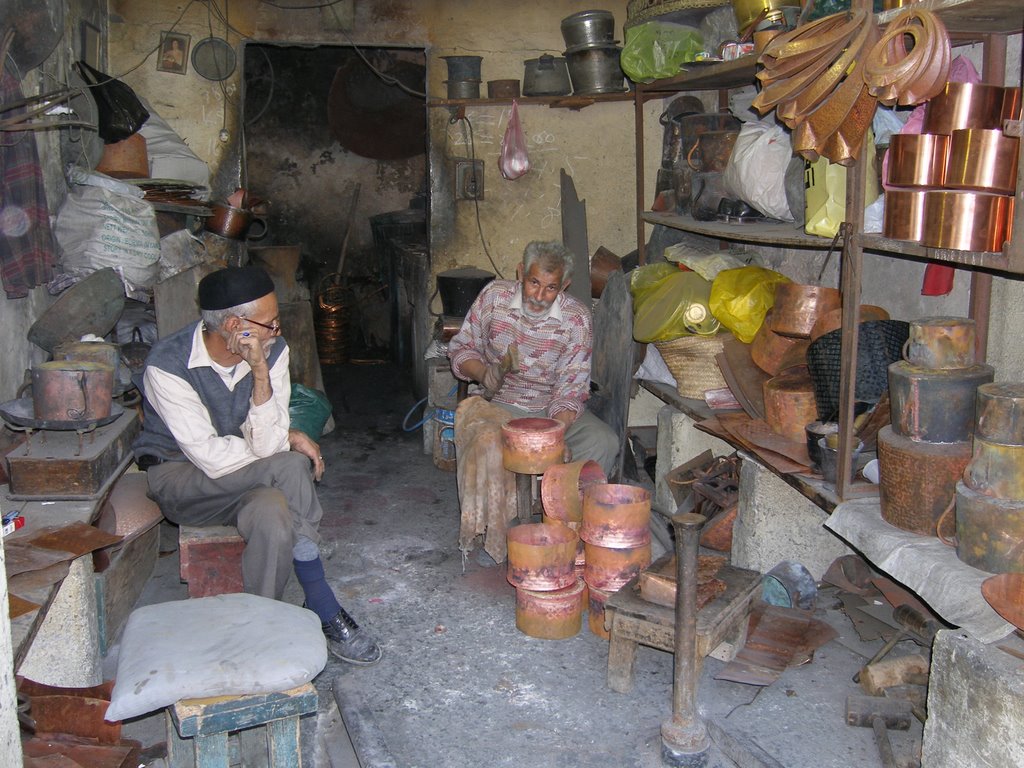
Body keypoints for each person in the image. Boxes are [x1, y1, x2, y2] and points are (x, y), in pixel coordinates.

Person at [133, 266, 381, 665]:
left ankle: (261, 624)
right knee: (290, 466)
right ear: (234, 325)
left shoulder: (273, 352)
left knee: (273, 511)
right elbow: (210, 457)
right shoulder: (167, 364)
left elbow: (264, 442)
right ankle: (324, 605)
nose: (277, 332)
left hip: (247, 479)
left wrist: (260, 373)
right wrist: (283, 440)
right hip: (183, 480)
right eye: (270, 323)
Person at [448, 242, 619, 563]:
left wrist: (554, 431)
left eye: (551, 288)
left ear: (564, 286)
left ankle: (566, 527)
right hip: (497, 404)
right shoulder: (493, 298)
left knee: (603, 441)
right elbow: (461, 348)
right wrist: (483, 372)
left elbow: (572, 386)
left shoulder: (576, 319)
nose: (539, 296)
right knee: (488, 444)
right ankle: (499, 529)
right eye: (534, 283)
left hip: (551, 409)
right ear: (520, 273)